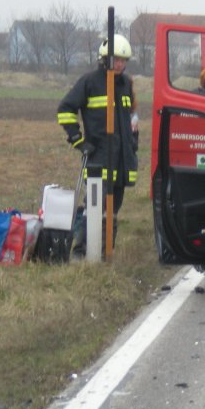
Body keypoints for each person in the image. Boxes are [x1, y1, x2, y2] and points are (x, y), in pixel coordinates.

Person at [56, 33, 139, 254]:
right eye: (116, 59)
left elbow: (131, 118)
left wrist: (133, 143)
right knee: (95, 205)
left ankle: (104, 251)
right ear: (104, 58)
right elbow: (65, 110)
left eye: (123, 60)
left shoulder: (125, 84)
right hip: (99, 157)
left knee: (113, 208)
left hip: (122, 159)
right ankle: (83, 251)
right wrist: (78, 141)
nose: (120, 64)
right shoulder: (90, 82)